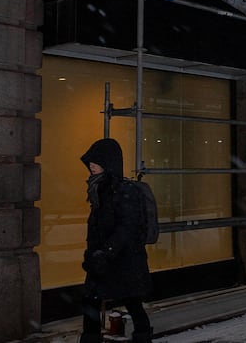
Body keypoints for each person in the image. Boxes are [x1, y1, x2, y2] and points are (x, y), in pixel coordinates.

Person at [80, 138, 153, 343]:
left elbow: (127, 227)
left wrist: (107, 251)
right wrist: (95, 254)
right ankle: (91, 338)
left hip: (123, 260)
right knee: (91, 300)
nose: (91, 166)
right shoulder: (98, 189)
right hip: (103, 260)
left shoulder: (124, 191)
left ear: (108, 163)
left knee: (131, 301)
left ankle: (143, 337)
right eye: (90, 162)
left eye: (96, 162)